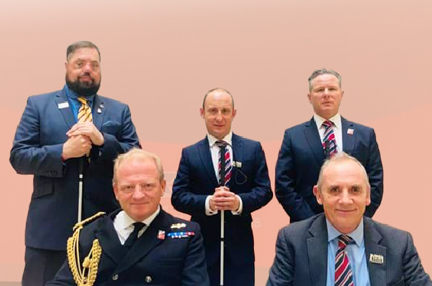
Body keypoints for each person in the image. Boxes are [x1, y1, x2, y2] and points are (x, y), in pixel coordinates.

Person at [10, 41, 140, 286]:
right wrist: (63, 152)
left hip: (104, 228)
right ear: (66, 66)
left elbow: (135, 158)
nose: (87, 69)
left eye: (94, 65)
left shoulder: (118, 110)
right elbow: (19, 157)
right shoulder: (38, 105)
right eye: (80, 63)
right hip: (49, 231)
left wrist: (103, 141)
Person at [47, 149, 209, 285]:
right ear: (116, 191)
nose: (138, 195)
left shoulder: (186, 236)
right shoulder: (89, 233)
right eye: (128, 187)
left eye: (147, 186)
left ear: (162, 187)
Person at [267, 153, 431, 286]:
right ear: (318, 195)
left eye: (355, 189)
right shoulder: (292, 241)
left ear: (367, 195)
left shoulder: (400, 243)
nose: (345, 200)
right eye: (335, 190)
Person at [171, 88, 273, 286]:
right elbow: (178, 196)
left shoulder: (252, 149)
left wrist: (239, 203)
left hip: (240, 245)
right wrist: (208, 202)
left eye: (225, 111)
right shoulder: (190, 154)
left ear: (234, 113)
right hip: (202, 246)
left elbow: (264, 191)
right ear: (202, 113)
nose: (219, 117)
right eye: (213, 111)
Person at [275, 68, 383, 222]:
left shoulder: (364, 135)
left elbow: (375, 183)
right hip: (306, 229)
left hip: (355, 226)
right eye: (320, 90)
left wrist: (356, 219)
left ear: (341, 94)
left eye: (332, 89)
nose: (326, 94)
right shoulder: (293, 136)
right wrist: (312, 223)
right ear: (310, 97)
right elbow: (284, 185)